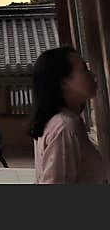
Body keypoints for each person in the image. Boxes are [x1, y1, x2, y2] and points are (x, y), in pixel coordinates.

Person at [30, 47, 107, 184]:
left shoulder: (60, 122)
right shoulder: (64, 127)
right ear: (63, 81)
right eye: (83, 69)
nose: (93, 75)